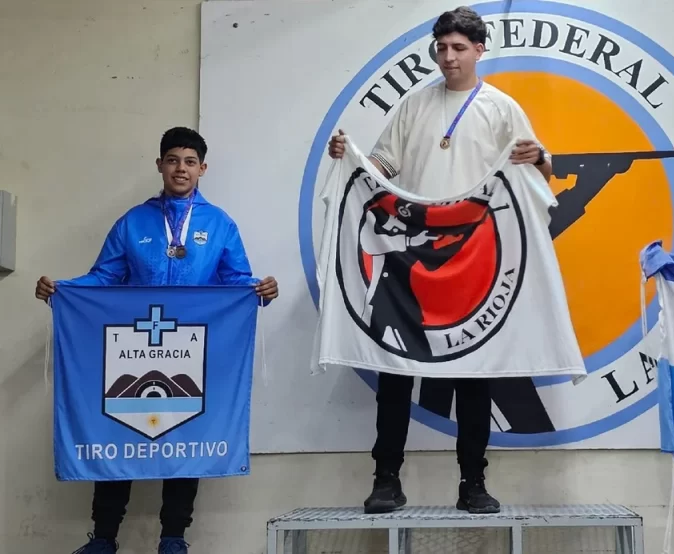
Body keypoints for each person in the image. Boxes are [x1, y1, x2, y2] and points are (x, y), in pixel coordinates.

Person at [327, 6, 552, 515]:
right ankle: (386, 479)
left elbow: (540, 171)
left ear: (479, 50)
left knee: (473, 373)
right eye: (442, 48)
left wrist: (539, 157)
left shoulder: (501, 108)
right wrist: (351, 160)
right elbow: (382, 165)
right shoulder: (413, 105)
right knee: (395, 368)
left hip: (473, 255)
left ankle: (473, 483)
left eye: (459, 48)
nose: (448, 57)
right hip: (411, 252)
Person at [37, 127, 279, 554]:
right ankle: (103, 538)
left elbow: (236, 280)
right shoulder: (133, 222)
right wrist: (62, 289)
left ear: (202, 168)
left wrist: (260, 289)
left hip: (191, 349)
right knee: (118, 432)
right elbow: (104, 277)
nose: (180, 169)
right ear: (160, 165)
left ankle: (173, 537)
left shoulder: (219, 224)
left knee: (187, 434)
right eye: (172, 160)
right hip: (133, 348)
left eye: (189, 162)